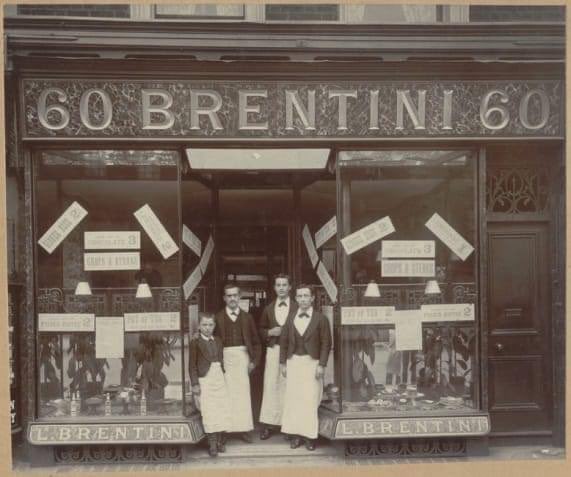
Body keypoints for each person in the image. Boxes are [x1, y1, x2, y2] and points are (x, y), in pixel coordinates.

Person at [280, 284, 331, 451]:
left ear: (312, 298)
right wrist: (283, 363)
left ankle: (309, 436)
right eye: (299, 296)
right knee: (294, 400)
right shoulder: (290, 317)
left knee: (310, 400)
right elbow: (284, 342)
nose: (302, 299)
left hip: (312, 363)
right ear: (296, 298)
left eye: (305, 296)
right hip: (294, 361)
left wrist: (322, 365)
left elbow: (326, 343)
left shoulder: (320, 319)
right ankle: (295, 436)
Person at [214, 283, 261, 443]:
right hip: (225, 358)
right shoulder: (217, 317)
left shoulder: (247, 317)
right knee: (226, 395)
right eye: (229, 295)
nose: (232, 298)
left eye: (235, 295)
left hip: (243, 358)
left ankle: (244, 429)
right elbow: (212, 341)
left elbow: (256, 342)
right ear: (224, 298)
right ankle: (226, 430)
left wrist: (254, 361)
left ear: (239, 297)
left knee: (242, 395)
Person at [258, 274, 298, 440]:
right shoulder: (268, 308)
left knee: (289, 387)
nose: (281, 288)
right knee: (271, 385)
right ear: (274, 288)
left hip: (292, 352)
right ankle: (268, 424)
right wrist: (269, 332)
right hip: (274, 351)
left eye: (284, 285)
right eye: (278, 285)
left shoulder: (297, 307)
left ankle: (288, 426)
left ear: (290, 288)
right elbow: (259, 330)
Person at [189, 313, 230, 457]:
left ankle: (219, 441)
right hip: (205, 379)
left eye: (210, 325)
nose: (207, 328)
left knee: (220, 408)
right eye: (204, 325)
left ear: (214, 326)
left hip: (218, 376)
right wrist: (195, 384)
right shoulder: (195, 342)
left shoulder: (218, 340)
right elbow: (192, 365)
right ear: (199, 326)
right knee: (208, 410)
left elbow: (221, 360)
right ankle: (211, 443)